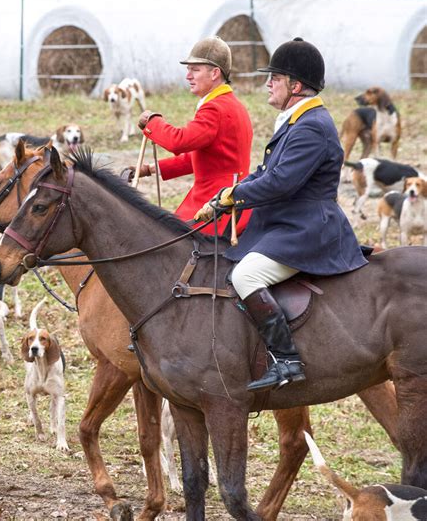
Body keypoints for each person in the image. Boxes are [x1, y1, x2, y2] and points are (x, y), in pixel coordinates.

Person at [194, 37, 368, 392]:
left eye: (274, 78)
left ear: (296, 85)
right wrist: (224, 197)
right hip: (285, 223)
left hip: (307, 228)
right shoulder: (295, 121)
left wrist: (232, 197)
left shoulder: (312, 126)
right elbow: (263, 172)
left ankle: (287, 360)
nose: (268, 84)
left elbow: (280, 183)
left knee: (245, 276)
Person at [132, 35, 253, 236]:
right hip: (230, 197)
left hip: (216, 202)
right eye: (188, 69)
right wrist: (149, 169)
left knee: (165, 242)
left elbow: (178, 141)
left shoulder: (215, 109)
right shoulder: (232, 104)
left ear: (215, 73)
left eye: (195, 70)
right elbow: (200, 157)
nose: (188, 75)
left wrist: (152, 121)